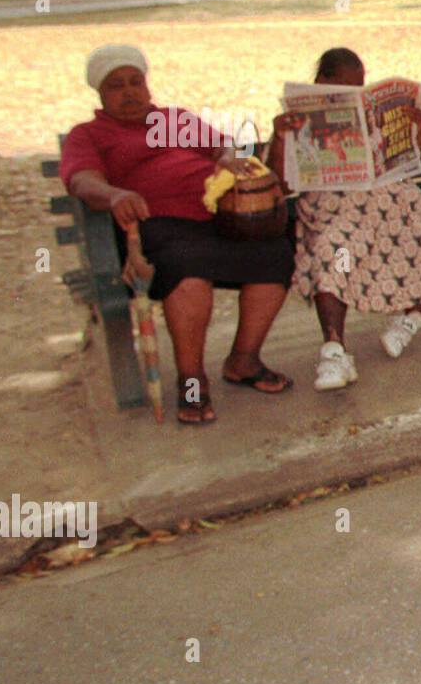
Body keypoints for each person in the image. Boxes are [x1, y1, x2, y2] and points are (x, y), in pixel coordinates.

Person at [61, 45, 295, 424]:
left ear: (147, 84)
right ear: (100, 94)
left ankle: (243, 361)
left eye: (136, 82)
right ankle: (192, 381)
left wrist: (226, 157)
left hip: (219, 218)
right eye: (117, 86)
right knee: (187, 272)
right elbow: (82, 179)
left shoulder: (174, 120)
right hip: (157, 225)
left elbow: (221, 147)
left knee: (275, 256)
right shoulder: (89, 135)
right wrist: (114, 194)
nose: (129, 92)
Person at [266, 49, 421, 391]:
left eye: (360, 87)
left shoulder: (372, 116)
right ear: (322, 82)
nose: (355, 94)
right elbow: (279, 184)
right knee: (334, 251)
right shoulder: (297, 117)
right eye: (347, 87)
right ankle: (334, 350)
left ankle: (410, 319)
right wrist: (281, 138)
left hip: (392, 200)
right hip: (335, 208)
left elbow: (418, 162)